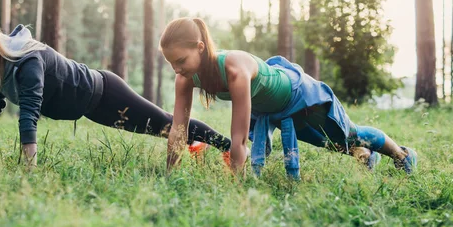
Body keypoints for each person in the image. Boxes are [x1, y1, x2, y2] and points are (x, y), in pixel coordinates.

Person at [0, 11, 231, 165]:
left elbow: (29, 114)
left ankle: (228, 147)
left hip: (106, 91)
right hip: (92, 109)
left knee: (167, 125)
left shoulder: (27, 60)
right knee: (160, 130)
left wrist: (29, 168)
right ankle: (197, 146)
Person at [159, 17, 418, 178]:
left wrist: (237, 187)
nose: (177, 70)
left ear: (200, 48)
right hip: (271, 108)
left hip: (299, 93)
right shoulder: (185, 76)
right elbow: (178, 131)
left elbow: (238, 139)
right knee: (329, 144)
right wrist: (169, 174)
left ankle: (403, 155)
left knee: (348, 134)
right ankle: (366, 156)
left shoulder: (234, 69)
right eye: (171, 63)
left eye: (181, 60)